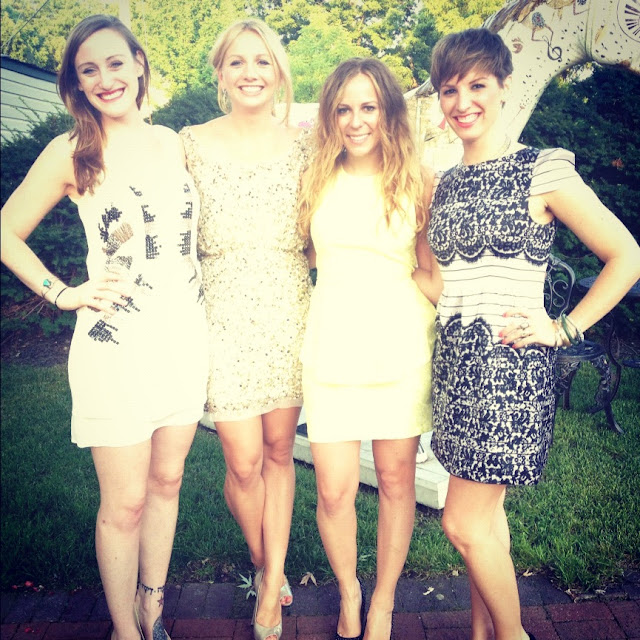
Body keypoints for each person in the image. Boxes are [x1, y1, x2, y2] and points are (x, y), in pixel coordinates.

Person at [423, 28, 640, 640]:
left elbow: (626, 255)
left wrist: (563, 327)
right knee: (487, 520)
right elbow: (444, 285)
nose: (462, 102)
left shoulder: (540, 170)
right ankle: (483, 633)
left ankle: (514, 634)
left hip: (509, 372)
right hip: (456, 369)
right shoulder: (443, 182)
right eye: (449, 90)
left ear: (503, 87)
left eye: (476, 85)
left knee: (462, 524)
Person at [0, 15, 208, 640]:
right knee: (126, 502)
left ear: (139, 63)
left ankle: (153, 609)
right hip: (117, 349)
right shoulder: (72, 150)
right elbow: (6, 231)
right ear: (77, 83)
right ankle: (124, 629)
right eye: (88, 70)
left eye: (115, 63)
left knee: (167, 482)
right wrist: (63, 293)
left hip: (184, 342)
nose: (105, 79)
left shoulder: (173, 143)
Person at [179, 18, 311, 640]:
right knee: (242, 459)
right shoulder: (189, 144)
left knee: (280, 453)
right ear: (221, 72)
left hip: (289, 308)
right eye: (237, 61)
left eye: (262, 61)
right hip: (222, 313)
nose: (251, 72)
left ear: (278, 73)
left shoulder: (307, 146)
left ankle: (270, 581)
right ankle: (264, 560)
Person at [298, 58, 437, 640]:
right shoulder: (314, 178)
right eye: (344, 109)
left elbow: (430, 273)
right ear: (330, 116)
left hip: (399, 349)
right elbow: (306, 257)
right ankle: (349, 589)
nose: (356, 121)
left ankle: (383, 601)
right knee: (333, 489)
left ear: (388, 112)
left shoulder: (419, 181)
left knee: (395, 481)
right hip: (331, 348)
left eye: (369, 107)